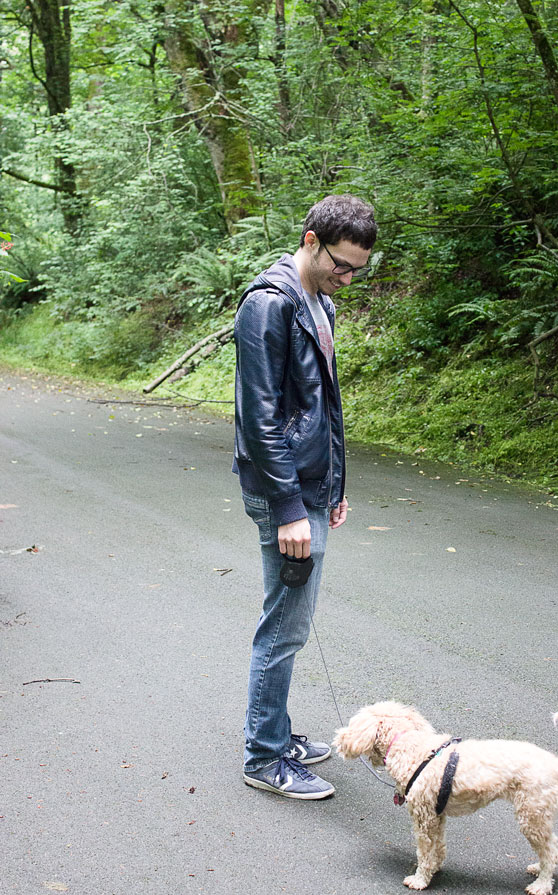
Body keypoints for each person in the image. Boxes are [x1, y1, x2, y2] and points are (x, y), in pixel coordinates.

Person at [233, 194, 377, 799]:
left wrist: (333, 486)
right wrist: (291, 508)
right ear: (311, 240)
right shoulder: (268, 305)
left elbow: (324, 407)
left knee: (291, 621)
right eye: (341, 265)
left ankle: (276, 733)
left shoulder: (319, 301)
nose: (348, 279)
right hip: (282, 492)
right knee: (285, 627)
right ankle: (264, 757)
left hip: (307, 484)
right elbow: (259, 418)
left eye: (358, 270)